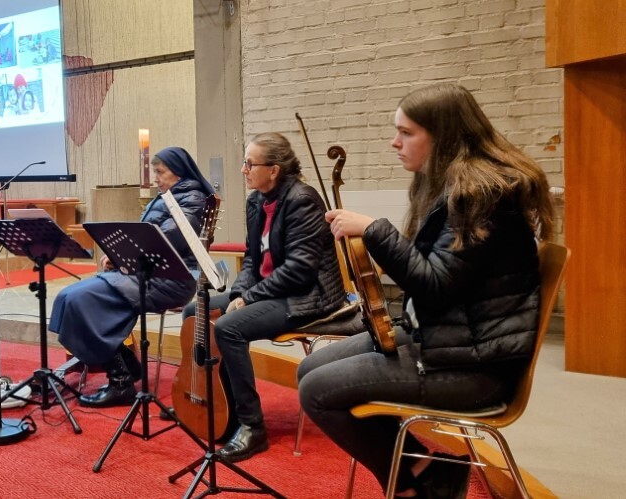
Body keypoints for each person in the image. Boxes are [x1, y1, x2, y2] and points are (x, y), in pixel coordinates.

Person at [296, 83, 555, 498]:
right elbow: (439, 275)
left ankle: (411, 489)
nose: (394, 142)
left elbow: (433, 286)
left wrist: (374, 229)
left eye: (406, 132)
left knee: (317, 391)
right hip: (446, 339)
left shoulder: (481, 197)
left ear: (444, 137)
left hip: (477, 368)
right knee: (308, 370)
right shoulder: (452, 187)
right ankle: (426, 470)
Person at [178, 132, 349, 463]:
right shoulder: (256, 201)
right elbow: (253, 259)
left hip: (307, 296)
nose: (243, 170)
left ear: (273, 170)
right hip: (272, 290)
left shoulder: (302, 200)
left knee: (228, 327)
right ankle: (216, 405)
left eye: (249, 163)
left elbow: (300, 270)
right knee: (193, 311)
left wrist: (249, 298)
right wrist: (240, 292)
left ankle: (251, 426)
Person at [48, 147, 215, 407]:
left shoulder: (192, 198)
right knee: (68, 295)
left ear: (179, 172)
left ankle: (121, 382)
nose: (156, 178)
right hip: (145, 272)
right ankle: (128, 363)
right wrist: (118, 255)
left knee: (82, 300)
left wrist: (121, 256)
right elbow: (144, 236)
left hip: (170, 279)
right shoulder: (168, 196)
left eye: (160, 172)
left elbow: (166, 238)